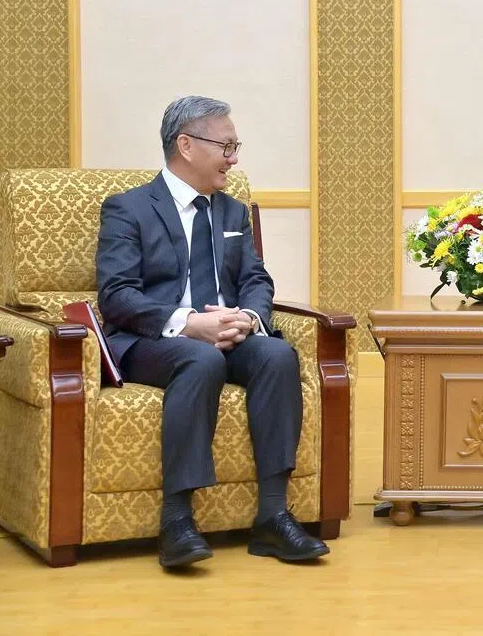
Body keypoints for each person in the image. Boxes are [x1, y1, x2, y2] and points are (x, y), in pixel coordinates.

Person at [96, 95, 328, 568]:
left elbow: (256, 279)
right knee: (200, 357)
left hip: (227, 333)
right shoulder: (129, 208)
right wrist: (187, 323)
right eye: (227, 146)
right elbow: (116, 295)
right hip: (154, 341)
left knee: (276, 355)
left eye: (234, 147)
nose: (233, 158)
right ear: (186, 145)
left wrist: (249, 318)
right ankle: (177, 521)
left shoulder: (232, 212)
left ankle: (272, 517)